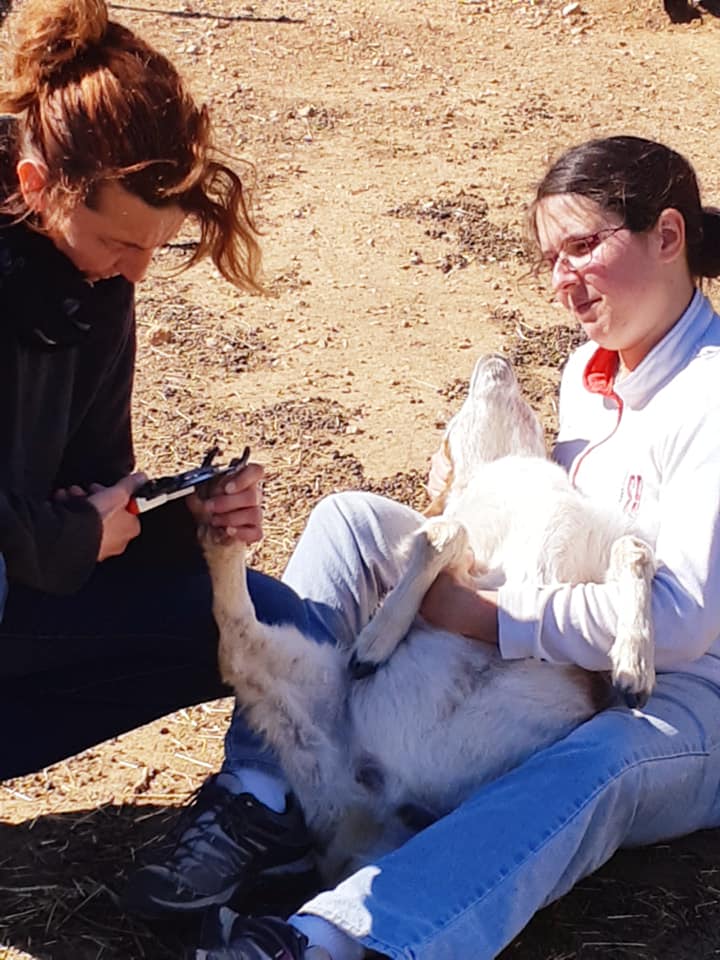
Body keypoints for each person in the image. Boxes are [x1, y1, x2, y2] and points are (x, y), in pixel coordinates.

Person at [131, 134, 720, 960]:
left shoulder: (710, 397)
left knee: (605, 758)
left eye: (584, 247)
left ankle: (337, 941)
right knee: (349, 519)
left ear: (668, 236)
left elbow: (684, 621)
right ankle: (264, 793)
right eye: (550, 258)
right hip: (553, 636)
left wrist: (481, 615)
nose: (563, 280)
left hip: (684, 696)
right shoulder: (590, 366)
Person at [0, 0, 329, 900]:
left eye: (156, 245)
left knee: (288, 621)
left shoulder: (94, 287)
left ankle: (253, 818)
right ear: (37, 185)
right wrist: (66, 540)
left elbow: (89, 485)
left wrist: (188, 522)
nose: (138, 270)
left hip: (25, 605)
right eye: (118, 241)